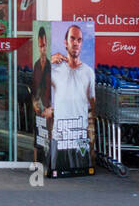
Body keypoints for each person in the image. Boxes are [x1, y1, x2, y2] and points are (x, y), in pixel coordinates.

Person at [49, 23, 95, 175]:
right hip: (60, 134)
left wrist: (91, 134)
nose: (75, 42)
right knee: (57, 166)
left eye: (79, 40)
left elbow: (92, 103)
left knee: (81, 168)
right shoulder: (55, 70)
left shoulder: (88, 72)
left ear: (82, 43)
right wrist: (48, 61)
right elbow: (38, 81)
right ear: (65, 42)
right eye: (72, 38)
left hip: (79, 133)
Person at [32, 26, 53, 170]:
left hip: (49, 107)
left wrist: (51, 107)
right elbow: (35, 86)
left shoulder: (51, 66)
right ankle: (37, 163)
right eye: (40, 46)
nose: (42, 49)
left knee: (49, 135)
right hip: (40, 106)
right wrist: (34, 102)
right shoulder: (36, 65)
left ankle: (50, 163)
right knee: (38, 135)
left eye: (44, 45)